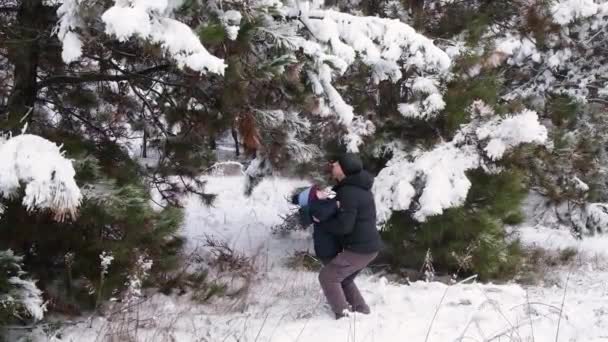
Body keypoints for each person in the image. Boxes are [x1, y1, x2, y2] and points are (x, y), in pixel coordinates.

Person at [316, 153, 382, 319]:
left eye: (336, 164)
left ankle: (343, 316)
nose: (333, 166)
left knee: (328, 277)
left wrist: (320, 221)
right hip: (367, 247)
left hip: (360, 249)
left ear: (344, 170)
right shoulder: (355, 187)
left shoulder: (349, 192)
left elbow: (344, 226)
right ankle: (361, 310)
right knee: (343, 279)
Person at [291, 185, 343, 264]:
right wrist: (335, 204)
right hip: (328, 250)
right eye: (317, 192)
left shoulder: (324, 203)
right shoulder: (317, 208)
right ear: (313, 198)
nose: (323, 192)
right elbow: (322, 213)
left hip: (329, 247)